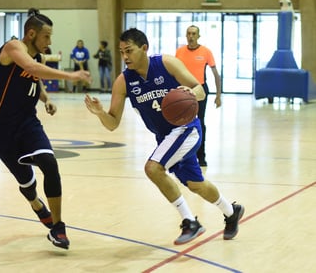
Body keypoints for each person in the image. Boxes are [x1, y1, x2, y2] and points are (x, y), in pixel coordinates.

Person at [84, 28, 244, 245]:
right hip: (165, 137)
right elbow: (112, 124)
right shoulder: (123, 82)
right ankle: (231, 211)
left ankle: (190, 221)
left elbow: (200, 90)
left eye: (129, 50)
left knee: (153, 168)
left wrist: (189, 94)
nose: (125, 57)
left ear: (144, 48)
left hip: (187, 129)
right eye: (122, 52)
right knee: (196, 184)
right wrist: (100, 113)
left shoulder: (167, 63)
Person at [0, 8, 91, 250]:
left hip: (28, 123)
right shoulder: (12, 48)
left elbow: (34, 77)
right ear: (31, 33)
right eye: (46, 36)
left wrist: (46, 99)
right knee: (27, 183)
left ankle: (58, 227)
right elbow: (31, 68)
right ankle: (35, 203)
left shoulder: (38, 58)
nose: (50, 42)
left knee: (50, 163)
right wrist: (71, 76)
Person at [175, 25, 221, 167]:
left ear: (198, 36)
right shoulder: (180, 51)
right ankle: (183, 155)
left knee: (200, 122)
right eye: (188, 33)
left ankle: (201, 156)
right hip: (183, 90)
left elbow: (215, 74)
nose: (191, 36)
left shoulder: (206, 52)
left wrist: (218, 95)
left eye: (194, 33)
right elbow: (173, 72)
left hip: (200, 90)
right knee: (182, 123)